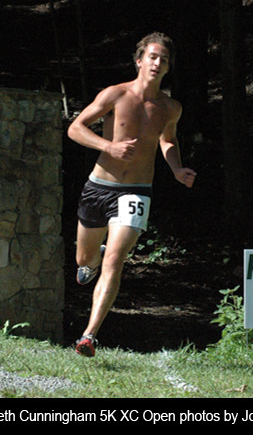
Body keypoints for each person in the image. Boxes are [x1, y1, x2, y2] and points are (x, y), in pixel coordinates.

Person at [67, 32, 197, 357]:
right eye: (152, 57)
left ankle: (89, 336)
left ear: (168, 67)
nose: (157, 63)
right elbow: (75, 128)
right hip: (99, 187)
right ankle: (91, 258)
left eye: (163, 59)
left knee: (115, 259)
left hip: (137, 191)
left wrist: (177, 169)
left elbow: (167, 140)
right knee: (84, 260)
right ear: (139, 61)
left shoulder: (170, 107)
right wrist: (108, 146)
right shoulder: (115, 94)